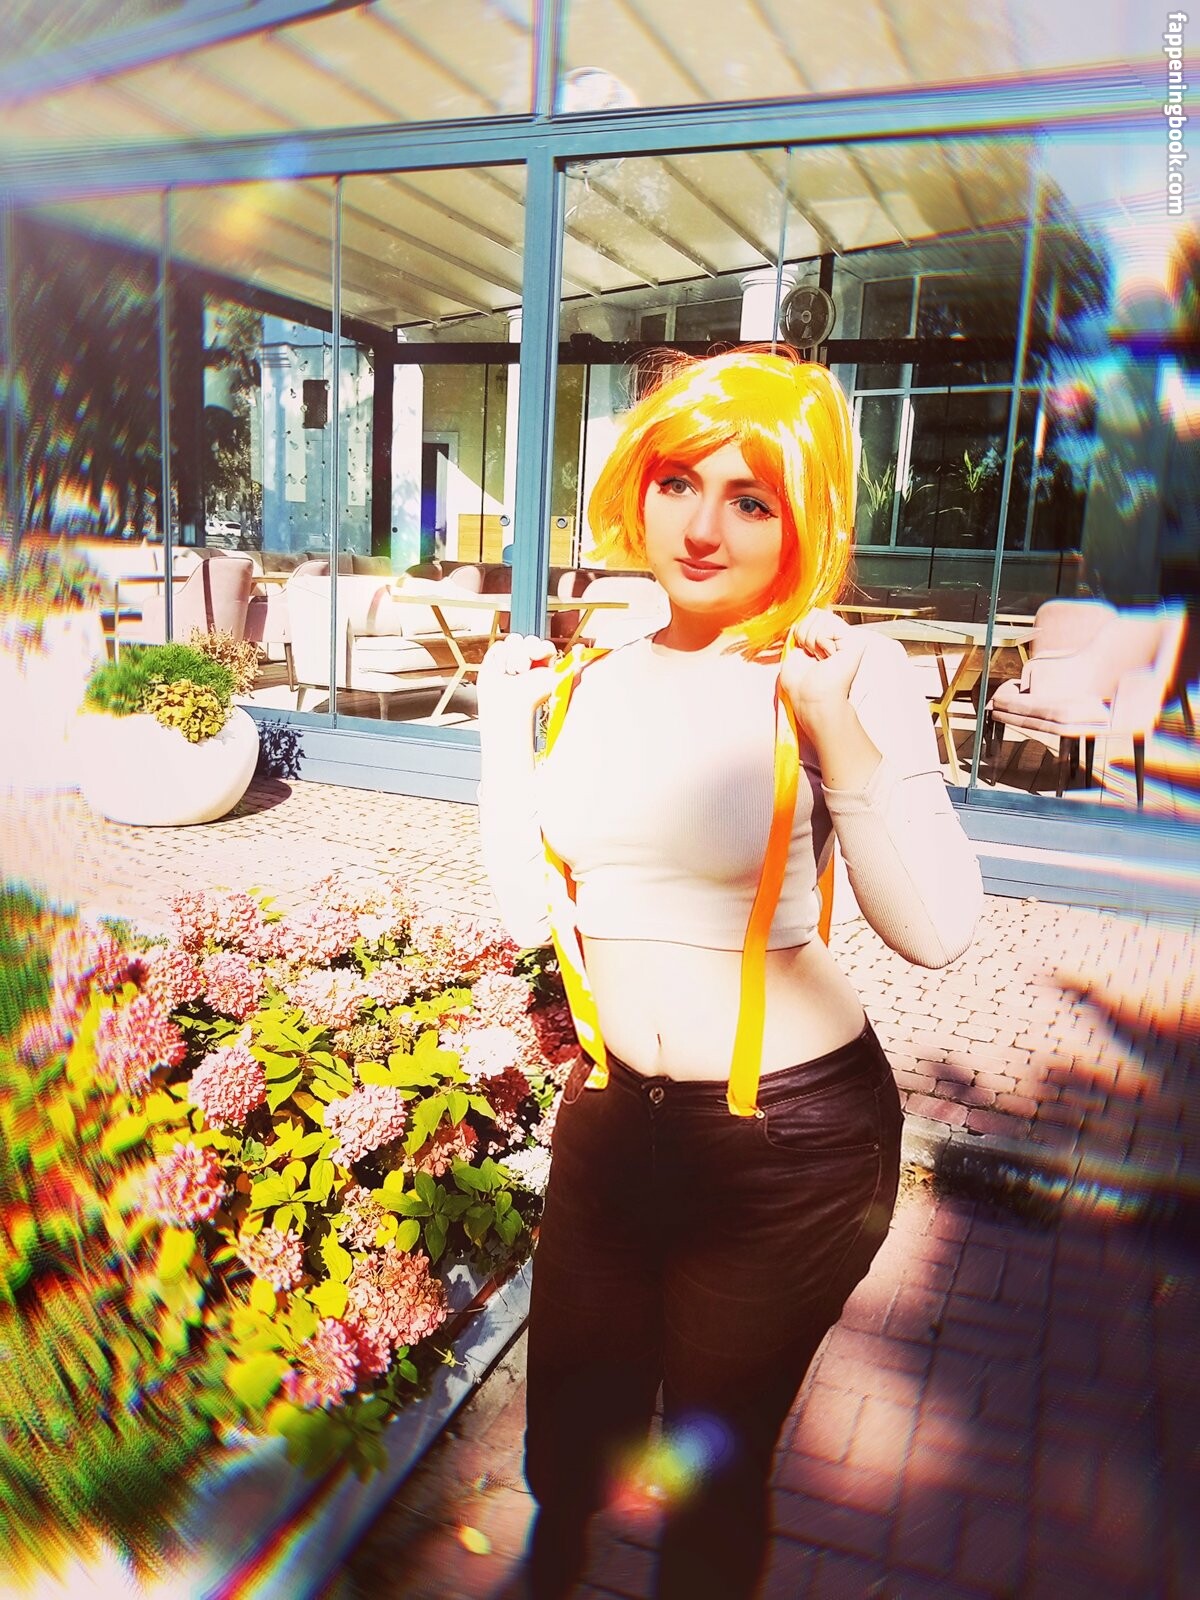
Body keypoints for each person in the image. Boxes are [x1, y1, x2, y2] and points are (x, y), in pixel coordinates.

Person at [476, 347, 983, 1600]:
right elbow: (529, 904)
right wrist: (497, 733)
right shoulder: (597, 671)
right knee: (573, 1426)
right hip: (614, 1115)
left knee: (714, 1461)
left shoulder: (842, 666)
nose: (702, 529)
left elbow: (937, 929)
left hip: (787, 1146)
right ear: (635, 490)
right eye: (678, 484)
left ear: (802, 519)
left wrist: (836, 731)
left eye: (750, 499)